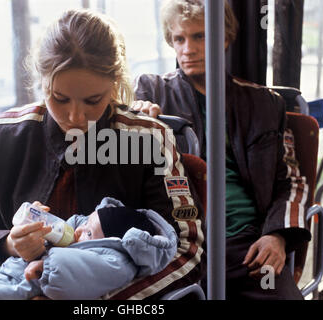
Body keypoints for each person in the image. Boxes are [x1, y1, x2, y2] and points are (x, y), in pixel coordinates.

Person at [0, 9, 205, 300]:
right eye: (59, 98)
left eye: (93, 101)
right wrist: (11, 245)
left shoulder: (149, 139)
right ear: (42, 83)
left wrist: (93, 300)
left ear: (115, 85)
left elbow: (187, 249)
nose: (75, 117)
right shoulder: (2, 137)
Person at [133, 0, 311, 299]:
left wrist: (277, 235)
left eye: (200, 36)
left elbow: (291, 181)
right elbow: (126, 170)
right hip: (179, 243)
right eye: (180, 38)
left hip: (249, 246)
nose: (188, 48)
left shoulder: (265, 104)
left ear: (224, 38)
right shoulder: (152, 92)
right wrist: (135, 120)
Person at [0, 198, 178, 300]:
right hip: (11, 268)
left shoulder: (116, 261)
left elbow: (79, 273)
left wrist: (47, 266)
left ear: (111, 241)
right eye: (85, 222)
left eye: (87, 232)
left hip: (26, 286)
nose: (78, 231)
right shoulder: (81, 237)